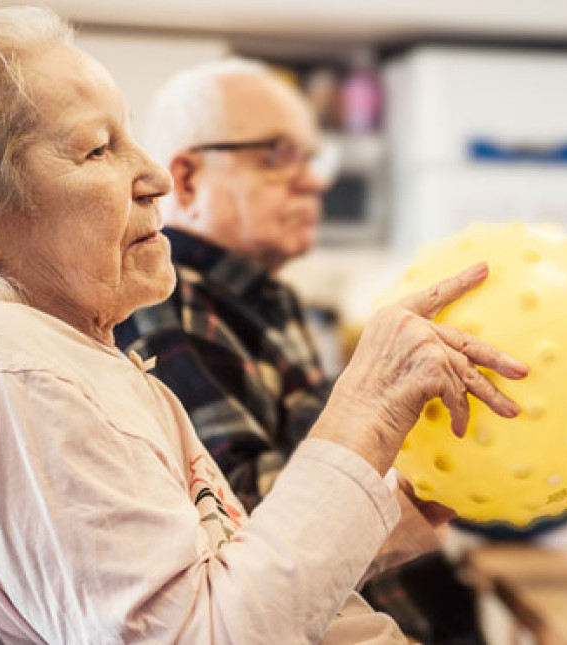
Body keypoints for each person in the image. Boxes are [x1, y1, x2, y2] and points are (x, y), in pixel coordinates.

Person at [0, 8, 528, 643]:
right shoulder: (9, 361)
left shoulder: (77, 357)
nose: (155, 176)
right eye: (97, 150)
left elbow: (224, 587)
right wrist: (366, 412)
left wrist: (381, 521)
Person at [117, 60, 487, 645]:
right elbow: (246, 529)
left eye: (311, 160)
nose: (313, 181)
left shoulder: (268, 298)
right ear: (185, 180)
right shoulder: (169, 307)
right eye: (275, 156)